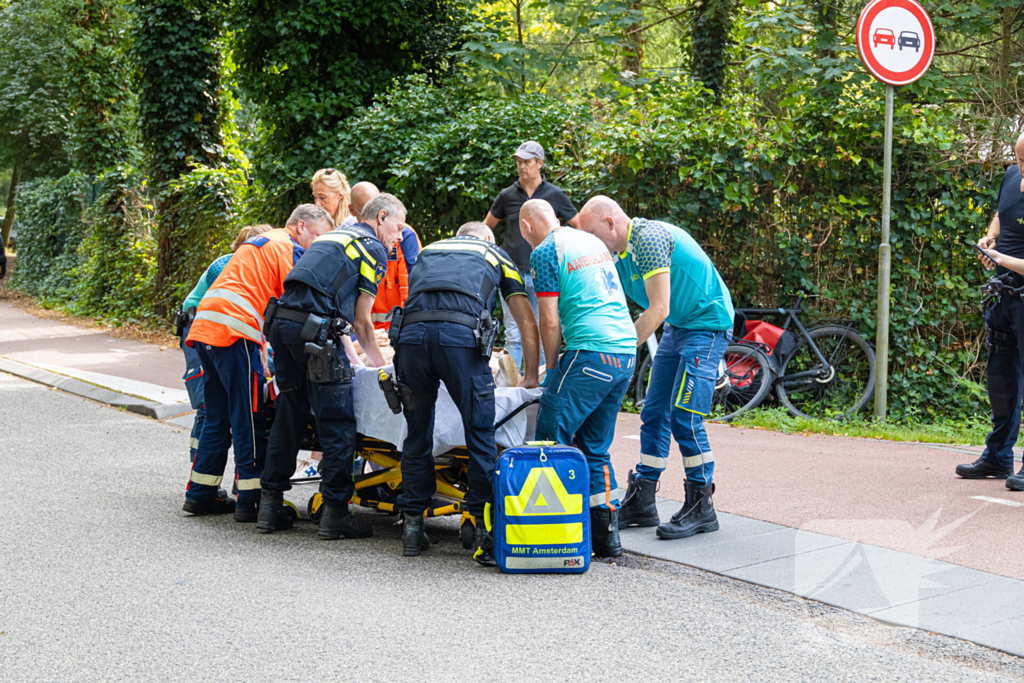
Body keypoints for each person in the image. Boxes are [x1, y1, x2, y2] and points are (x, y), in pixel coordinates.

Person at [578, 196, 734, 540]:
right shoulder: (617, 256)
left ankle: (701, 504)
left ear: (610, 223)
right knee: (653, 411)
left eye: (591, 233)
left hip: (707, 324)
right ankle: (644, 498)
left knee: (685, 416)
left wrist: (616, 350)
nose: (590, 242)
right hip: (680, 327)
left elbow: (658, 308)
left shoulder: (647, 239)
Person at [393, 221, 540, 562]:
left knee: (417, 434)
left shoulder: (428, 252)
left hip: (411, 341)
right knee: (480, 435)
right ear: (485, 238)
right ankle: (482, 528)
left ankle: (412, 529)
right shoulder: (495, 253)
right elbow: (524, 320)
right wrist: (530, 376)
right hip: (460, 341)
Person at [257, 194, 402, 538]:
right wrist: (384, 371)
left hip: (283, 326)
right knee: (337, 423)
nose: (398, 236)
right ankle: (335, 515)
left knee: (289, 413)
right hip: (316, 335)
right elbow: (362, 321)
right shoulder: (372, 247)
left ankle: (269, 505)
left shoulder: (334, 237)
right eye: (397, 227)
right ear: (381, 217)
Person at [183, 205, 333, 521]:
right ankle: (251, 501)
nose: (317, 246)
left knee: (216, 415)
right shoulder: (288, 248)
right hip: (234, 332)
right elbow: (297, 308)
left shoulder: (264, 243)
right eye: (318, 237)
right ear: (301, 226)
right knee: (249, 417)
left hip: (206, 327)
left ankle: (200, 495)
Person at [519, 199, 637, 558]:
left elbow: (550, 321)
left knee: (551, 439)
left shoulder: (544, 251)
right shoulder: (592, 242)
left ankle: (550, 535)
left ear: (526, 228)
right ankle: (606, 536)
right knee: (595, 447)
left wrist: (551, 370)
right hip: (625, 351)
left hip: (590, 352)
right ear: (556, 218)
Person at [956, 133, 1024, 490]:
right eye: (1020, 161)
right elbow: (1003, 212)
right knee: (1000, 380)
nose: (1022, 170)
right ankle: (998, 457)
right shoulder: (1013, 175)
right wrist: (990, 239)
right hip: (1002, 298)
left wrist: (1002, 260)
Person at [177, 224, 272, 462]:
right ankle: (198, 462)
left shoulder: (250, 268)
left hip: (213, 324)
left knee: (218, 402)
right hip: (200, 325)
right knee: (208, 402)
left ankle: (203, 471)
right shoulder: (226, 266)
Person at [484, 141, 578, 370]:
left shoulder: (555, 195)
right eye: (518, 162)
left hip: (544, 274)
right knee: (514, 335)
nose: (521, 166)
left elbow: (579, 226)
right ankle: (511, 386)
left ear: (540, 164)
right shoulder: (506, 196)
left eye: (527, 161)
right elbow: (485, 230)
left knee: (544, 329)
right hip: (511, 274)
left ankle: (541, 388)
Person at [350, 182, 423, 330]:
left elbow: (415, 284)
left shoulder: (403, 236)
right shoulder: (351, 239)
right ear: (353, 211)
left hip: (397, 329)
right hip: (364, 331)